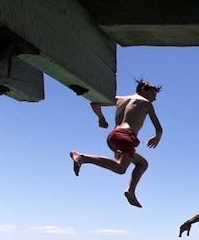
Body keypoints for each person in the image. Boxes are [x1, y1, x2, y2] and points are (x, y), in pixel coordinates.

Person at [70, 79, 163, 208]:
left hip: (113, 136)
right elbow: (159, 128)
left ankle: (130, 191)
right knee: (120, 168)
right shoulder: (146, 103)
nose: (154, 99)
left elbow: (94, 104)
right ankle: (82, 157)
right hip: (126, 137)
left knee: (142, 163)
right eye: (153, 94)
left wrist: (101, 118)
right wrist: (157, 138)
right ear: (143, 89)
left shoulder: (119, 99)